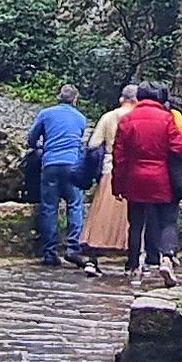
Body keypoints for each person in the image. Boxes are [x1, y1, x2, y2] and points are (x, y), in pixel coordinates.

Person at [108, 81, 182, 288]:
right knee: (168, 220)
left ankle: (133, 265)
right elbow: (180, 148)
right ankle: (166, 258)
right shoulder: (167, 119)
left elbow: (118, 156)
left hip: (135, 178)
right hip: (161, 178)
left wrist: (118, 185)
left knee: (136, 223)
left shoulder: (127, 120)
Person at [25, 84, 90, 267]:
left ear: (58, 97)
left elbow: (31, 139)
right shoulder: (81, 118)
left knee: (49, 208)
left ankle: (49, 253)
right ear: (75, 100)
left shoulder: (46, 114)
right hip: (72, 165)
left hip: (51, 164)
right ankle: (72, 249)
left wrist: (41, 147)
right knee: (75, 205)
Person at [77, 84, 135, 274]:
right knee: (134, 218)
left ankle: (92, 260)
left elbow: (93, 144)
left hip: (110, 168)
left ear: (121, 99)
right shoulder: (138, 117)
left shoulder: (108, 117)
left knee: (100, 215)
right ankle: (131, 262)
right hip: (134, 171)